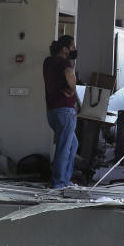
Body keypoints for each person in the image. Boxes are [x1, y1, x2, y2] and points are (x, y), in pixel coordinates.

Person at [42, 35, 80, 189]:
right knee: (64, 147)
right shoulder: (65, 62)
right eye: (72, 47)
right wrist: (72, 89)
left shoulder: (48, 61)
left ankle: (64, 179)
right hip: (65, 111)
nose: (74, 50)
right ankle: (59, 183)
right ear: (65, 49)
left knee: (72, 144)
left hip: (52, 111)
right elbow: (69, 75)